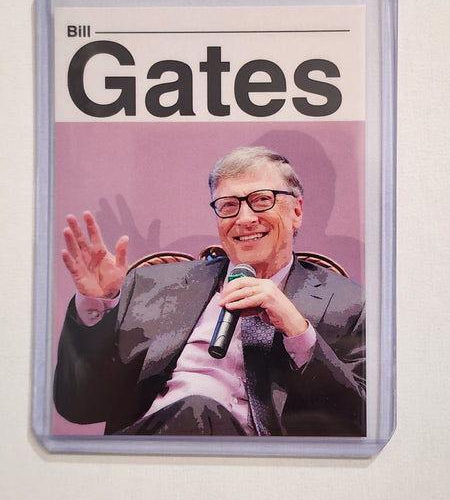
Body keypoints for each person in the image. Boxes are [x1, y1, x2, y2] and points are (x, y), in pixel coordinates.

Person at [54, 146, 365, 437]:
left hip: (255, 463)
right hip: (148, 453)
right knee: (195, 408)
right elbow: (79, 405)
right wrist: (98, 304)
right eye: (229, 205)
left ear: (296, 211)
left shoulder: (347, 304)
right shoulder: (153, 286)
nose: (244, 219)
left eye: (261, 200)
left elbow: (359, 422)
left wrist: (298, 332)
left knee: (199, 408)